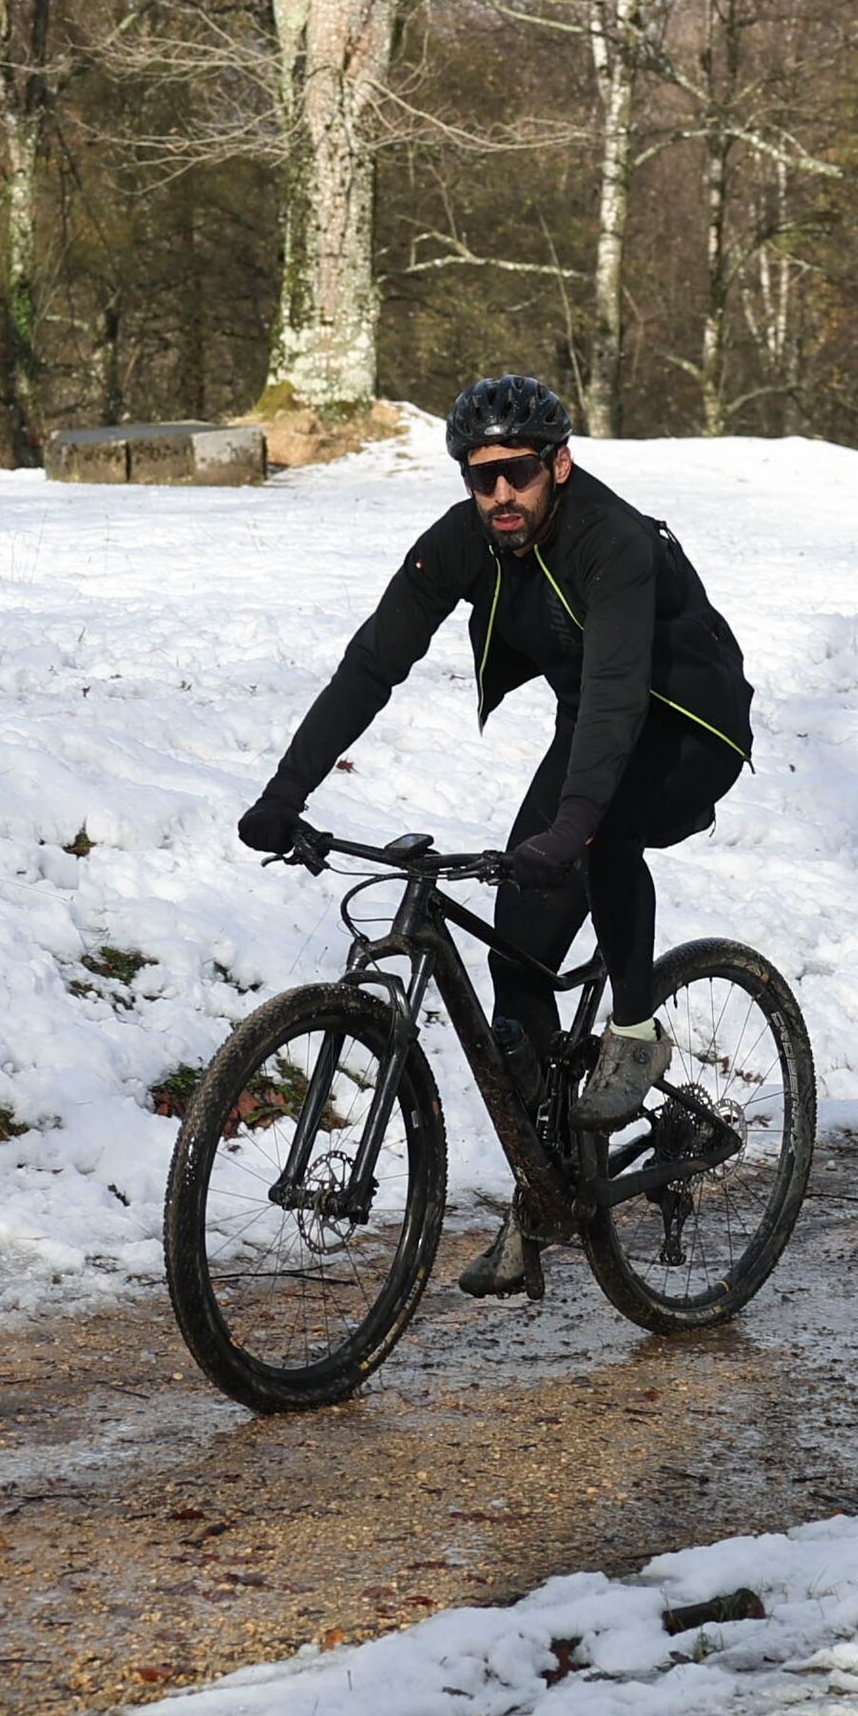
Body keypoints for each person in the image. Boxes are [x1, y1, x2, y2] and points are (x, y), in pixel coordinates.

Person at [236, 374, 757, 1299]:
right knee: (518, 961)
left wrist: (575, 829)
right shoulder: (463, 540)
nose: (500, 497)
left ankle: (635, 1031)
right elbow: (372, 663)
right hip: (595, 728)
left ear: (558, 463)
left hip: (683, 724)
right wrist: (285, 792)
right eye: (481, 480)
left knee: (601, 840)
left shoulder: (615, 541)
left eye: (517, 474)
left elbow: (614, 698)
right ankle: (547, 1189)